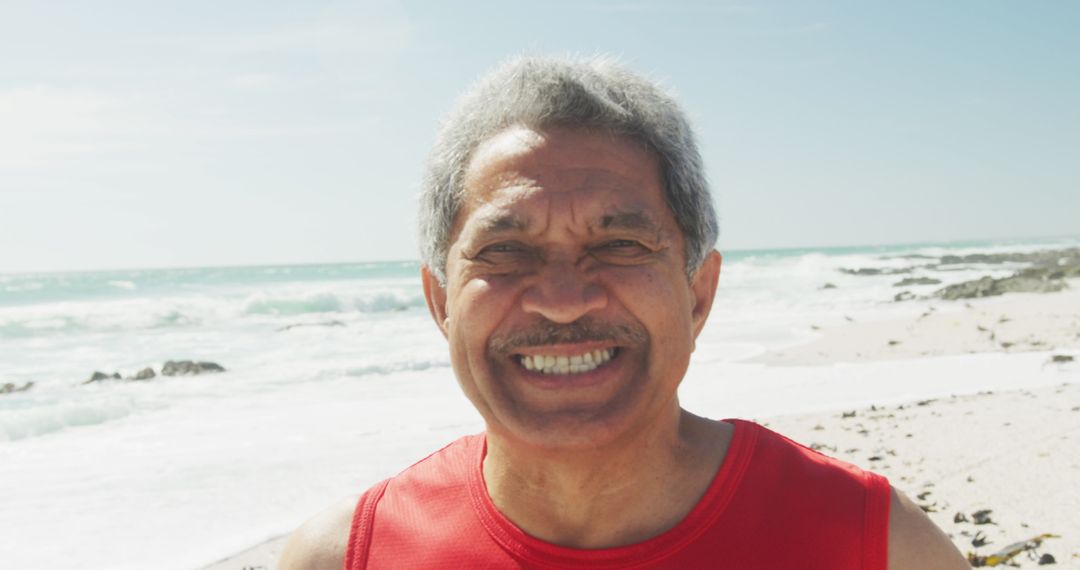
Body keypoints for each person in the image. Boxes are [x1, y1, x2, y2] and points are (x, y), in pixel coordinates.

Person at [279, 56, 968, 569]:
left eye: (618, 246)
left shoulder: (875, 543)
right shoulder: (343, 557)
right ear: (440, 303)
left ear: (698, 294)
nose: (562, 300)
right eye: (506, 250)